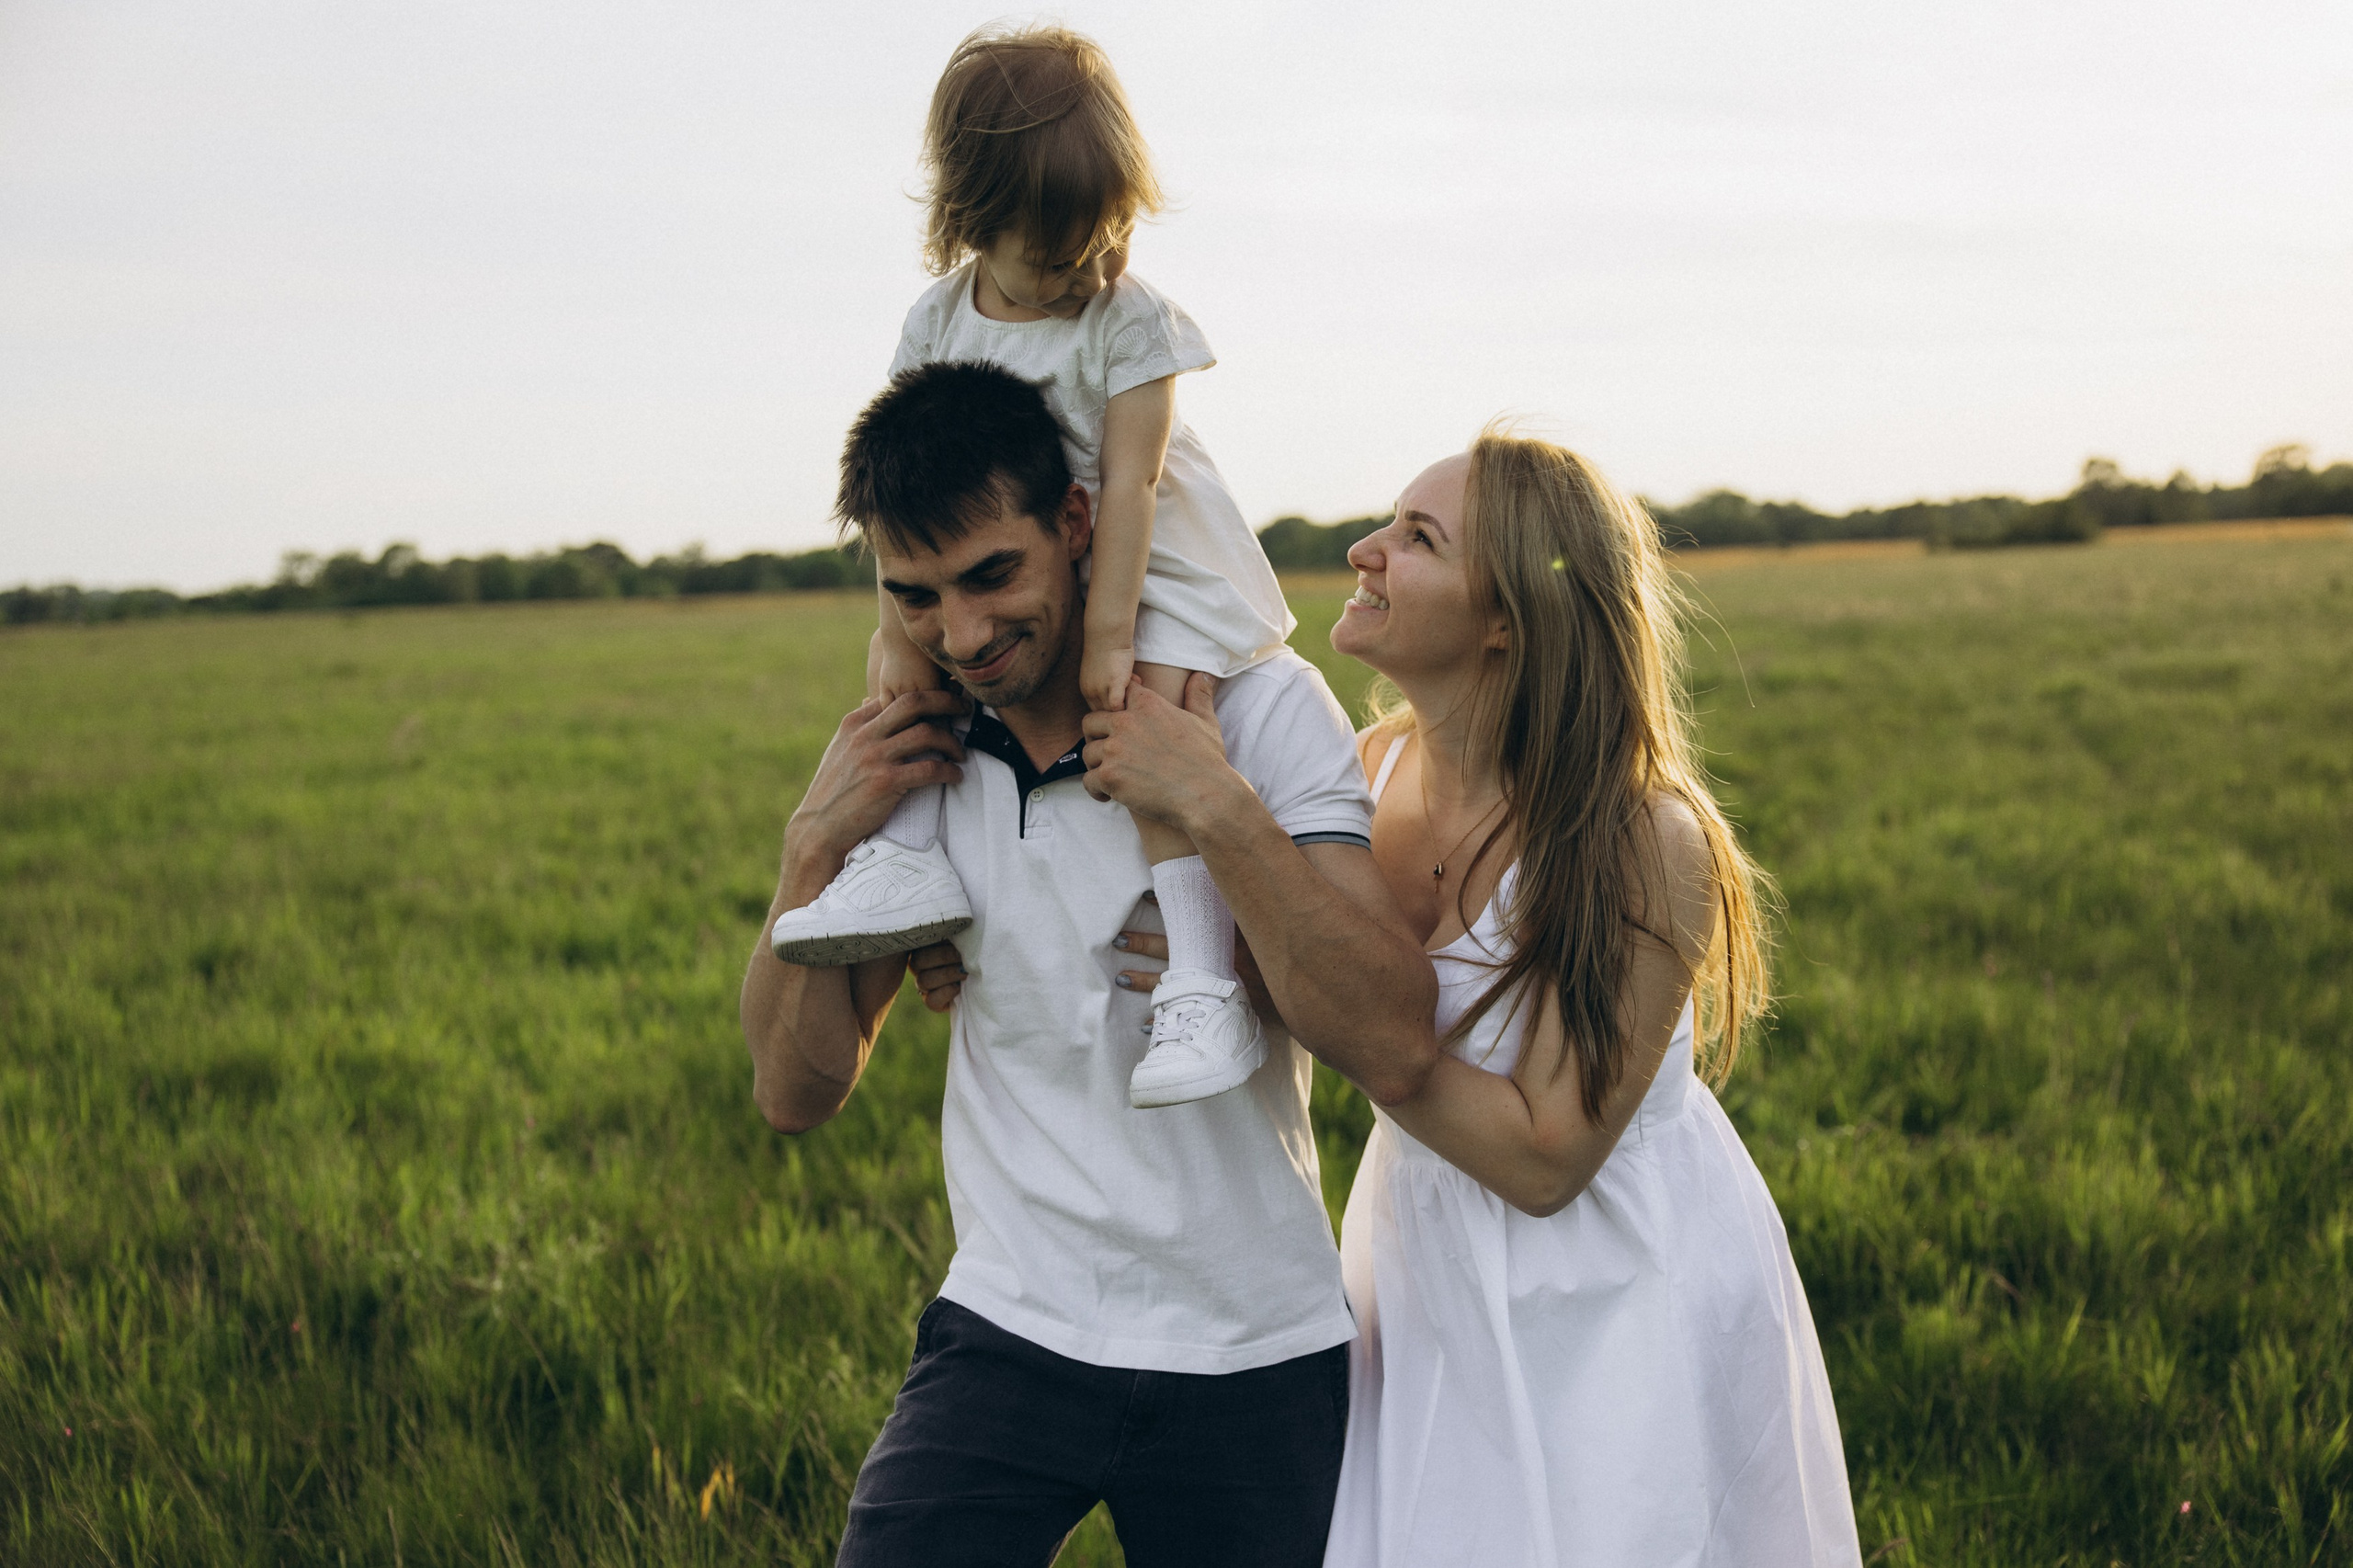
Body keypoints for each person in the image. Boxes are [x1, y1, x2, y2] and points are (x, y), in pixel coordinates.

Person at [1094, 433, 1862, 1565]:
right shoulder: (1363, 772)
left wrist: (1228, 823)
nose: (1364, 550)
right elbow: (1284, 969)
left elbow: (1546, 1159)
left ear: (1505, 617)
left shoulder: (1640, 836)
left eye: (1417, 538)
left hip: (1616, 1285)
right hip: (1420, 1256)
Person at [740, 363, 1437, 1567]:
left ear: (1076, 523)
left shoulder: (1258, 706)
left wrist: (1213, 805)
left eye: (990, 576)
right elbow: (794, 1091)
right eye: (914, 595)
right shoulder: (914, 749)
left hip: (1255, 1341)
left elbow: (1392, 1035)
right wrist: (814, 847)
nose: (961, 634)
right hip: (1010, 1319)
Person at [767, 24, 1296, 1110]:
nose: (1089, 269)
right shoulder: (936, 320)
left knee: (1147, 713)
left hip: (1147, 558)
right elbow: (911, 491)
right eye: (1055, 256)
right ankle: (909, 865)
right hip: (1023, 557)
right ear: (972, 223)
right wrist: (895, 627)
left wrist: (1109, 637)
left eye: (1108, 236)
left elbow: (1133, 485)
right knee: (903, 677)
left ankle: (1200, 975)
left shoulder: (1128, 318)